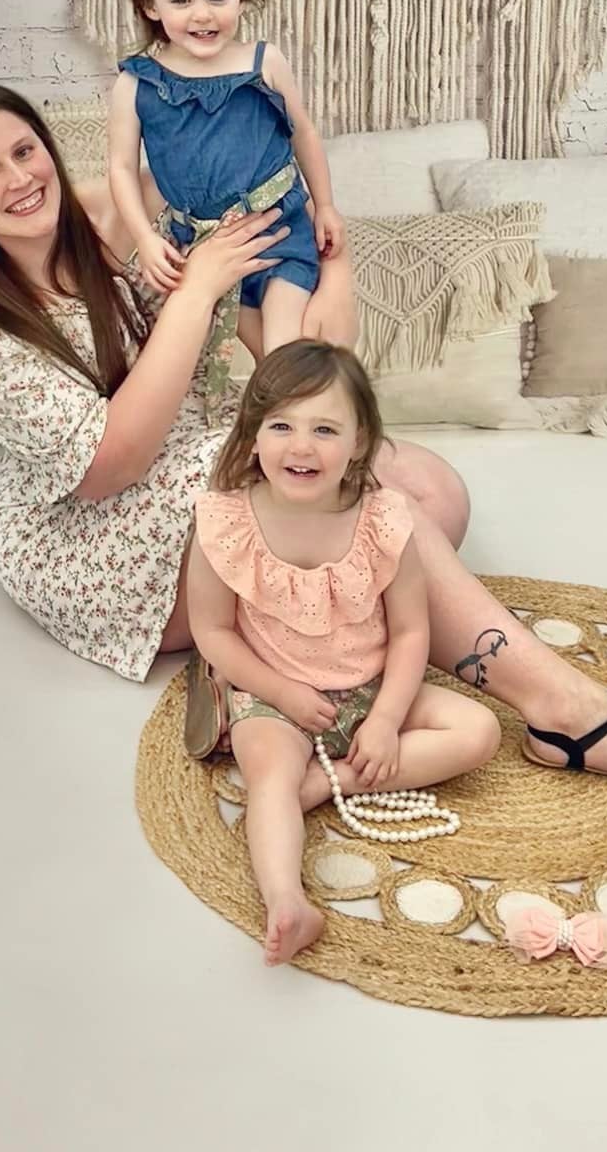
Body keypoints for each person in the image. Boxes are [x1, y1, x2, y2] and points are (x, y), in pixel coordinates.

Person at [0, 79, 607, 784]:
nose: (19, 180)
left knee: (431, 494)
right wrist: (196, 291)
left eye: (24, 151)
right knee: (329, 492)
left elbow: (275, 302)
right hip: (94, 540)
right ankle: (561, 707)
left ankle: (266, 659)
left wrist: (324, 267)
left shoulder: (110, 215)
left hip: (186, 459)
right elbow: (112, 464)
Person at [188, 340, 500, 966]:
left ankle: (322, 786)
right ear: (253, 434)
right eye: (281, 426)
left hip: (369, 687)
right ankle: (286, 900)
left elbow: (410, 632)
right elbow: (213, 632)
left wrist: (384, 720)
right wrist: (282, 693)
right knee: (268, 775)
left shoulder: (382, 521)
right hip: (273, 695)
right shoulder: (227, 521)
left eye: (324, 429)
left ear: (359, 442)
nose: (301, 447)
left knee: (480, 731)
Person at [107, 0, 345, 382]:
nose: (203, 15)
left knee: (285, 353)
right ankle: (269, 422)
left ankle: (310, 417)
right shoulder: (136, 83)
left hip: (278, 231)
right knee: (239, 362)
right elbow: (121, 168)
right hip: (200, 246)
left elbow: (303, 132)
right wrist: (145, 240)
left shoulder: (263, 61)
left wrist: (325, 205)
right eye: (181, 0)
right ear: (150, 5)